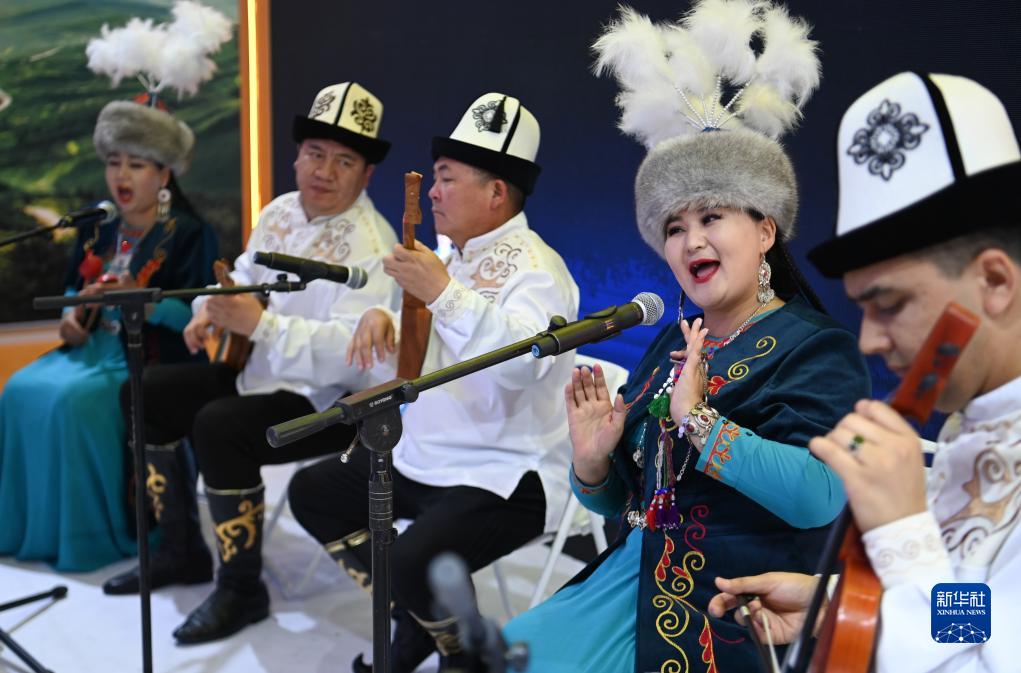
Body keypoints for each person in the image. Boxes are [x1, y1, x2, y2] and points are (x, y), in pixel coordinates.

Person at [501, 4, 872, 671]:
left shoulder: (816, 347)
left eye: (711, 217)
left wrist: (699, 420)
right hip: (630, 578)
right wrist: (592, 463)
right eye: (674, 227)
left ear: (765, 230)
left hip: (725, 607)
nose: (691, 240)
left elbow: (820, 496)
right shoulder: (671, 342)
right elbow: (627, 502)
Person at [709, 72, 1021, 673]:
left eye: (891, 305)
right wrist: (835, 604)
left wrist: (901, 532)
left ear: (994, 281)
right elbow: (977, 614)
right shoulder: (978, 420)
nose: (871, 341)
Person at [99, 81, 401, 645]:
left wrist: (260, 326)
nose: (324, 171)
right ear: (297, 156)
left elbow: (350, 355)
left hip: (332, 404)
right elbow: (241, 275)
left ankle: (241, 589)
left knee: (220, 425)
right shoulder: (280, 210)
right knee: (145, 390)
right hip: (260, 374)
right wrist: (208, 309)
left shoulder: (375, 246)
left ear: (366, 175)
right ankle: (180, 549)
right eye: (314, 153)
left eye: (343, 161)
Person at [287, 92, 580, 672]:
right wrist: (385, 319)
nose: (434, 193)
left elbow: (523, 363)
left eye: (447, 179)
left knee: (412, 559)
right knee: (313, 493)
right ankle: (424, 623)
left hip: (503, 470)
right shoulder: (455, 255)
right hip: (425, 453)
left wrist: (443, 292)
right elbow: (426, 356)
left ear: (496, 192)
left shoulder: (539, 271)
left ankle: (458, 651)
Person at [0, 95, 218, 571]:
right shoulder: (96, 227)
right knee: (16, 390)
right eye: (114, 162)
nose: (122, 176)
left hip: (151, 355)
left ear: (164, 175)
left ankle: (92, 537)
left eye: (136, 165)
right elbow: (70, 291)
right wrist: (71, 319)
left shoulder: (189, 234)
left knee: (71, 402)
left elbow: (197, 314)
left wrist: (141, 297)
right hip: (90, 351)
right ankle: (28, 529)